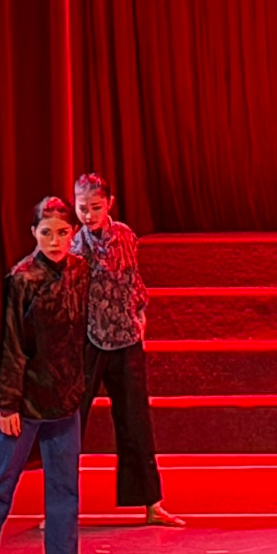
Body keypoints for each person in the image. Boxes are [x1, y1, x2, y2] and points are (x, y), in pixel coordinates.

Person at [0, 199, 110, 554]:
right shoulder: (22, 279)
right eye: (46, 233)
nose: (54, 241)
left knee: (64, 485)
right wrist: (8, 404)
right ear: (34, 234)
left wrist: (78, 387)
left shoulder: (80, 271)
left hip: (63, 398)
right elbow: (11, 345)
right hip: (22, 402)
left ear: (72, 234)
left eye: (62, 233)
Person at [70, 173, 180, 527]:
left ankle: (151, 503)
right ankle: (60, 507)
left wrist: (141, 311)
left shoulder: (126, 236)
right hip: (88, 340)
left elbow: (133, 278)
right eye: (83, 208)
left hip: (126, 336)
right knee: (70, 424)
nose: (89, 215)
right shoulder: (74, 245)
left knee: (135, 421)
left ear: (109, 204)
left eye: (95, 207)